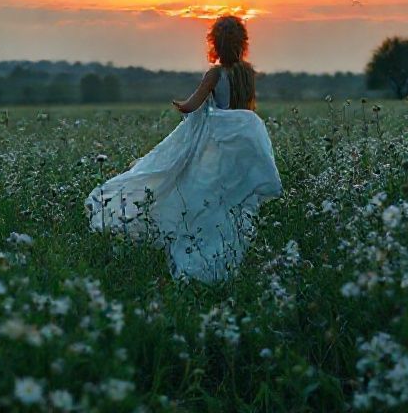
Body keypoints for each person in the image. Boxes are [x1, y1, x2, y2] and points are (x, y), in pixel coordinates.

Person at [85, 15, 282, 282]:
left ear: (214, 43)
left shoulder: (215, 73)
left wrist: (177, 103)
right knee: (230, 201)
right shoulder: (247, 73)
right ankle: (228, 257)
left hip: (218, 144)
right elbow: (245, 108)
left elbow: (192, 105)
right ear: (242, 43)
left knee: (203, 197)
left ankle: (202, 261)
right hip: (242, 141)